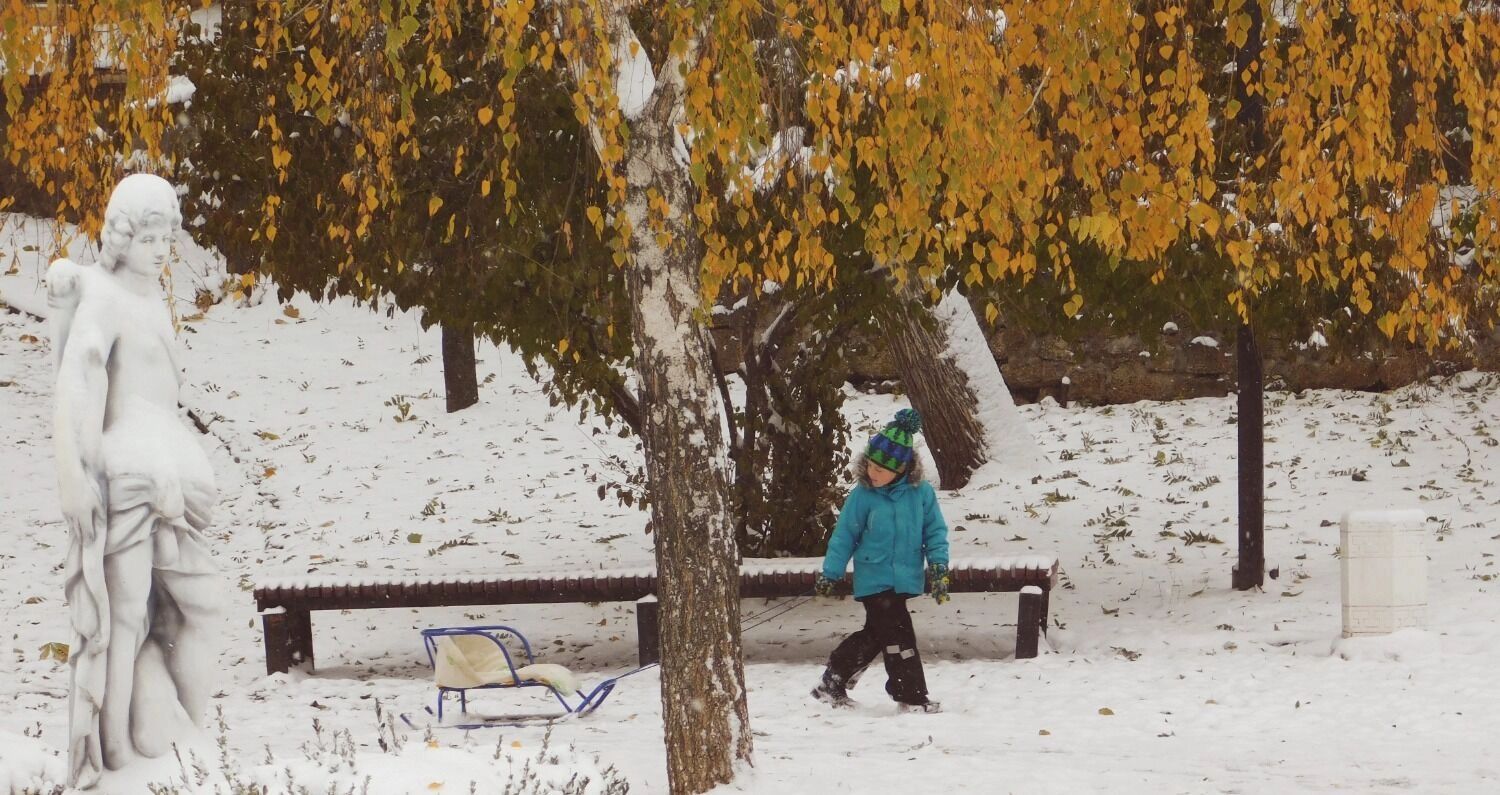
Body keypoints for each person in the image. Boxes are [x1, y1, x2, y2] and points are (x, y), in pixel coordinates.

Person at [52, 173, 220, 787]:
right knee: (124, 620)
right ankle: (117, 752)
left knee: (203, 606)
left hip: (168, 471)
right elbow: (76, 383)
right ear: (121, 237)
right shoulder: (104, 295)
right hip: (129, 477)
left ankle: (188, 736)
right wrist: (75, 474)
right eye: (147, 236)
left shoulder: (152, 300)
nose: (159, 249)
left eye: (166, 237)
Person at [811, 408, 950, 713]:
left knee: (877, 634)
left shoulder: (922, 494)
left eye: (882, 469)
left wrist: (939, 567)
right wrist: (830, 572)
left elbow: (935, 532)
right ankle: (911, 696)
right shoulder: (862, 496)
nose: (874, 473)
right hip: (874, 577)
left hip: (904, 577)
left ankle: (831, 681)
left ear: (901, 469)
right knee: (900, 636)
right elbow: (844, 535)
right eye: (871, 465)